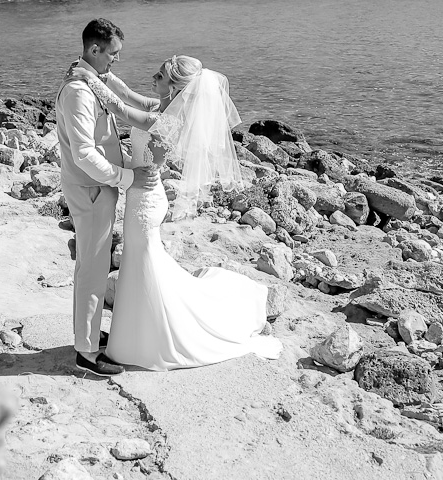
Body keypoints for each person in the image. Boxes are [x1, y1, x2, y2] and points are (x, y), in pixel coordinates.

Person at [67, 55, 282, 370]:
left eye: (160, 75)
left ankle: (148, 338)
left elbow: (120, 109)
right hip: (142, 194)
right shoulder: (160, 108)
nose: (153, 77)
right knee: (141, 264)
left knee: (143, 263)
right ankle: (138, 334)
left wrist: (89, 80)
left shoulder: (169, 121)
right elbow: (126, 94)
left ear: (175, 87)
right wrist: (99, 74)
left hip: (145, 201)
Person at [56, 19, 160, 376]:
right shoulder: (79, 92)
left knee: (90, 265)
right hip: (90, 190)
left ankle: (85, 334)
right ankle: (86, 354)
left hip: (96, 188)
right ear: (94, 49)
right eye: (113, 54)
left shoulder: (93, 79)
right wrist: (127, 177)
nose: (116, 60)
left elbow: (129, 103)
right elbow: (85, 153)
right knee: (93, 269)